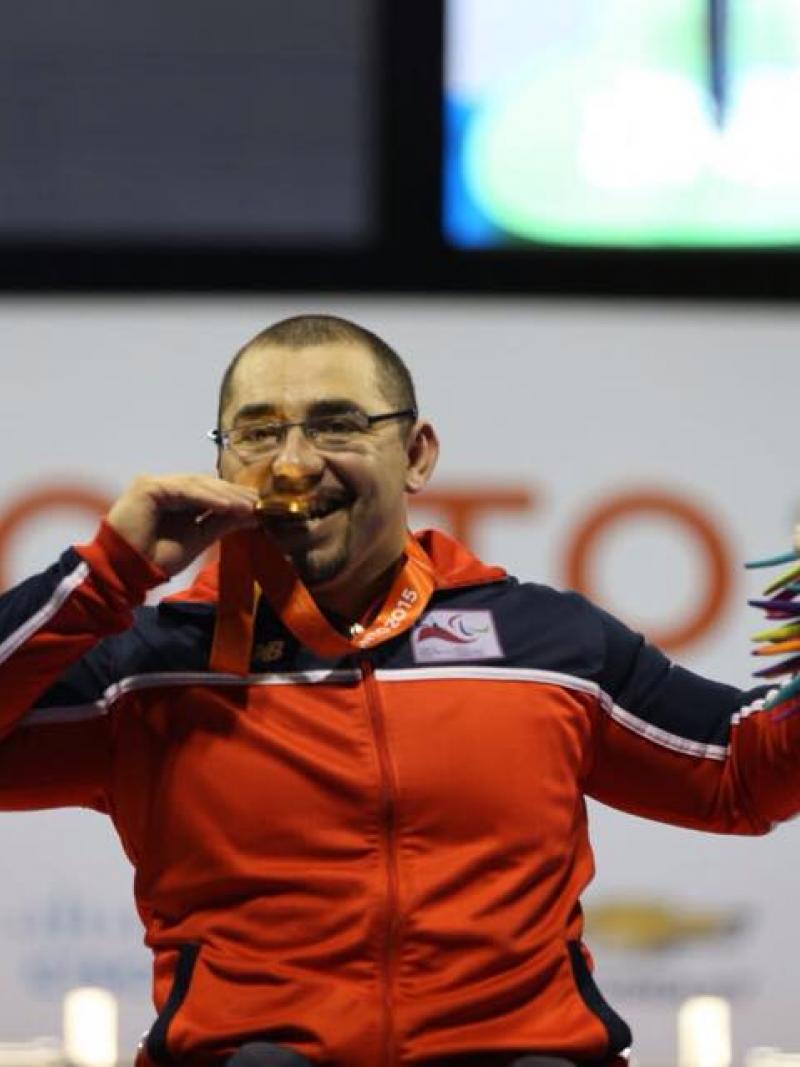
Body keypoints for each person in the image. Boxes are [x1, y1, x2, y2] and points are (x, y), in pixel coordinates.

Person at [0, 314, 797, 1067]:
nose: (294, 460)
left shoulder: (547, 646)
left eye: (338, 423)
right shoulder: (150, 670)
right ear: (220, 466)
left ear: (417, 454)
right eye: (258, 431)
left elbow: (747, 774)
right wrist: (106, 573)